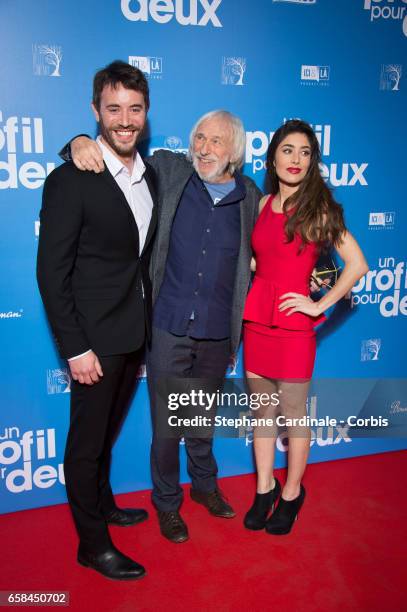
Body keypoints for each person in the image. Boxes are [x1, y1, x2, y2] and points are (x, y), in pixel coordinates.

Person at [61, 110, 263, 543]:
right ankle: (167, 503)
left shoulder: (249, 196)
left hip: (216, 331)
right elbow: (118, 154)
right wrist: (79, 141)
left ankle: (206, 487)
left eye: (216, 142)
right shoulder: (171, 171)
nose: (205, 149)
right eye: (200, 138)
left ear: (236, 151)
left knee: (201, 420)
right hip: (168, 324)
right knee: (168, 426)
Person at [37, 61, 158, 580]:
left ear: (146, 113)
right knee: (85, 446)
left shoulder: (151, 173)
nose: (124, 120)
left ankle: (104, 504)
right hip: (93, 341)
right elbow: (50, 274)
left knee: (106, 434)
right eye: (113, 109)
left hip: (134, 334)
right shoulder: (70, 179)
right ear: (95, 112)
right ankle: (92, 544)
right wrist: (75, 347)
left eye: (134, 109)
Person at [242, 119, 368, 535]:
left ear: (312, 161)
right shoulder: (262, 205)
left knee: (294, 417)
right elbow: (265, 258)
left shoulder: (319, 209)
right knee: (263, 414)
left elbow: (358, 264)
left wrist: (319, 305)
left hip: (294, 327)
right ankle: (264, 487)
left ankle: (292, 493)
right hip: (257, 319)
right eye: (288, 150)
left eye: (305, 152)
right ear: (273, 155)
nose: (295, 159)